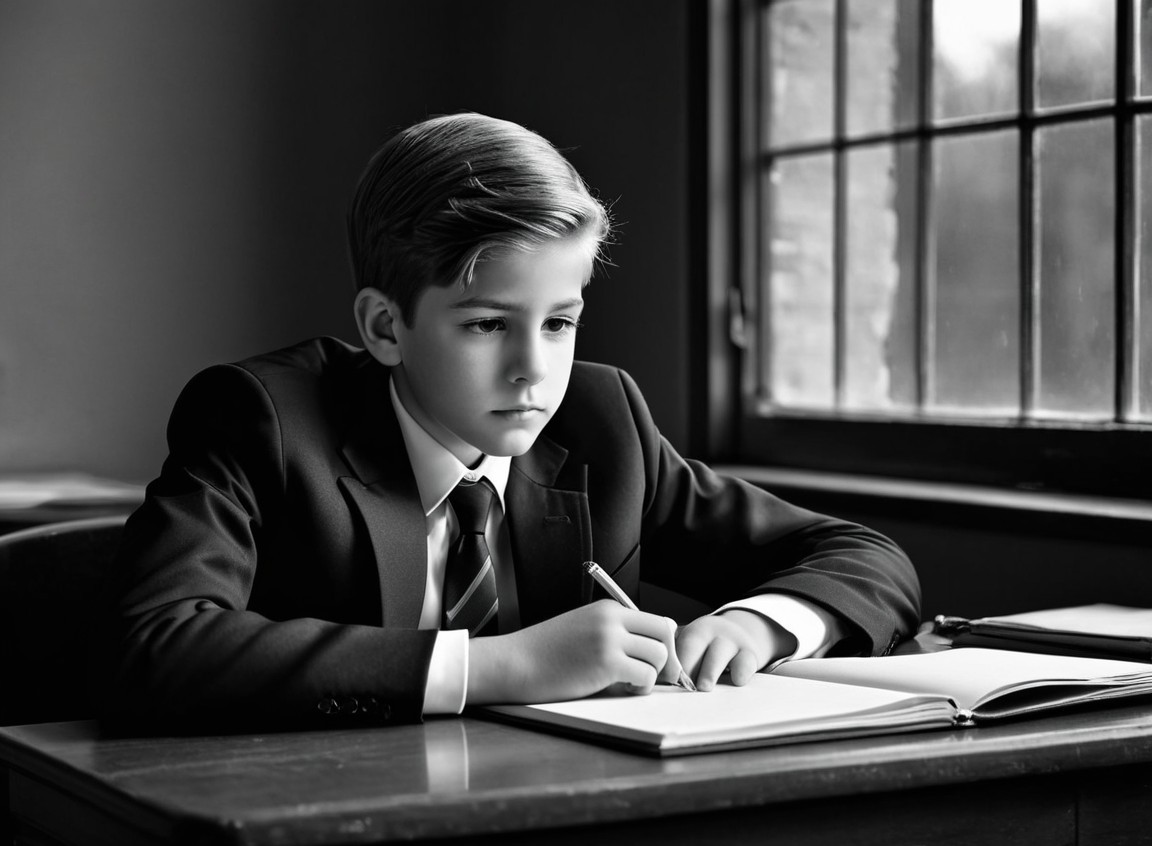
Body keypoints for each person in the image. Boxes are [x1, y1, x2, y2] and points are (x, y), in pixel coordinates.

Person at [100, 112, 920, 730]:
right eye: (488, 325)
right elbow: (157, 647)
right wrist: (501, 665)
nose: (535, 367)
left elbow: (861, 556)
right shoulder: (262, 418)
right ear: (386, 326)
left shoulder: (605, 422)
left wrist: (762, 621)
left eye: (559, 323)